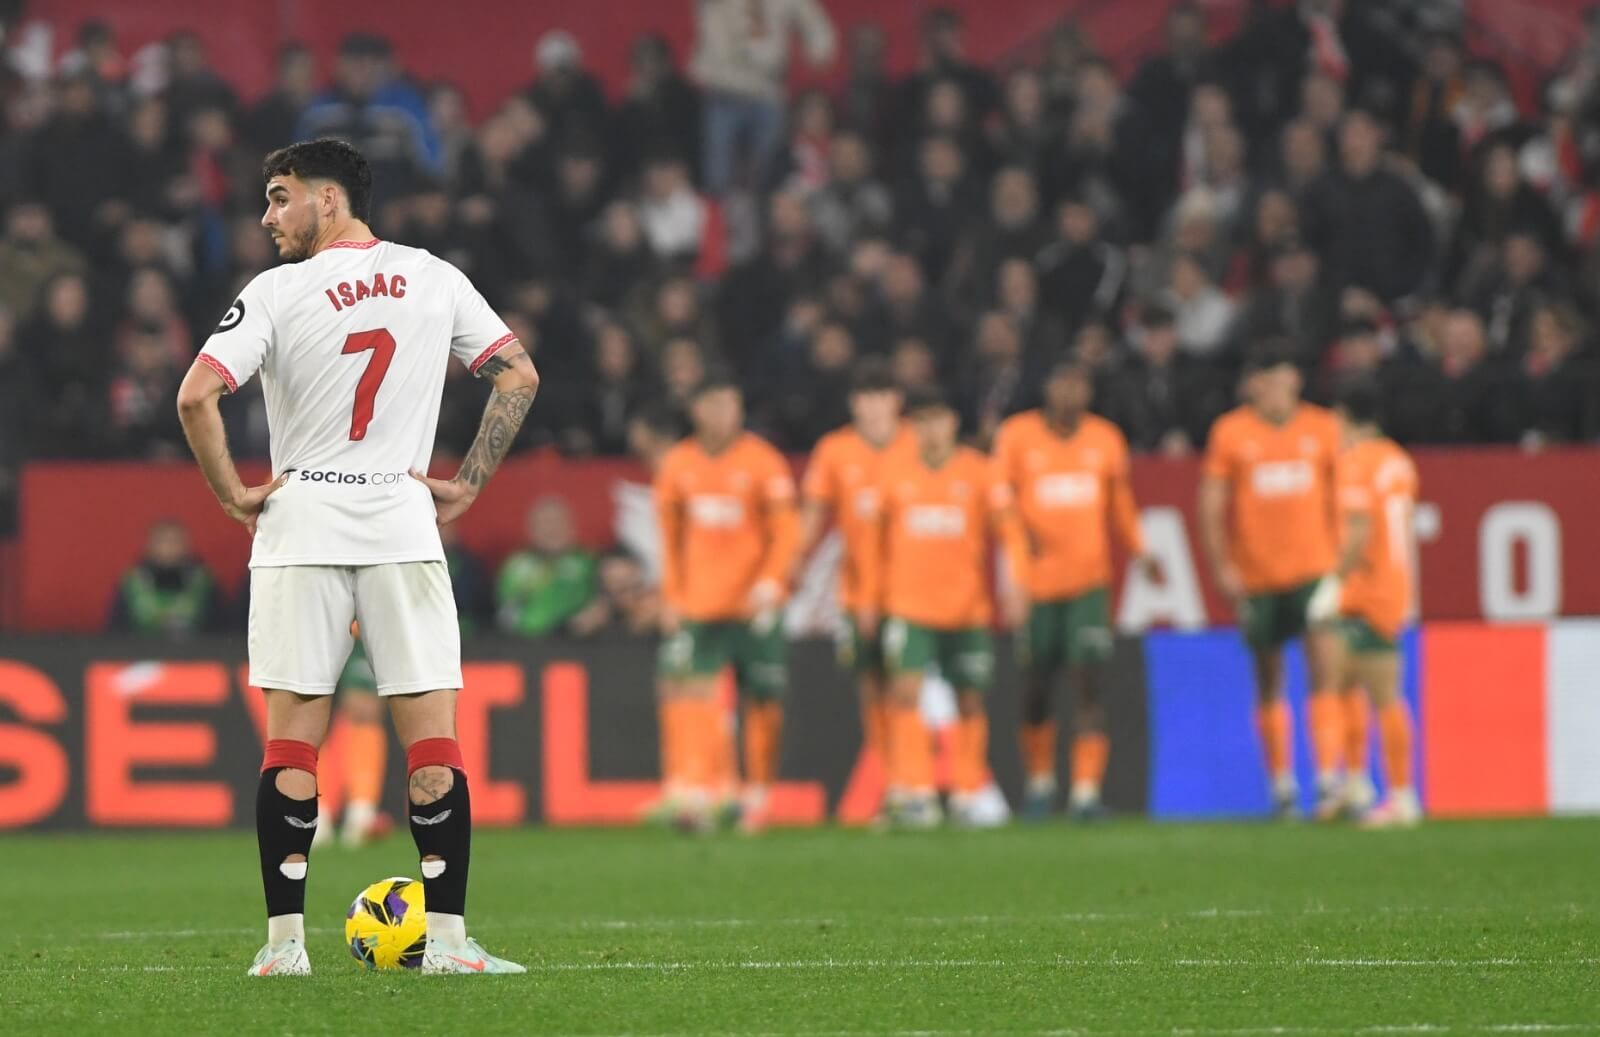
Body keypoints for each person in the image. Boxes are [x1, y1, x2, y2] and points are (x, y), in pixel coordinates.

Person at [175, 139, 537, 976]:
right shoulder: (434, 276)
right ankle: (447, 942)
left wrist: (233, 493)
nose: (266, 218)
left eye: (278, 198)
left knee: (292, 743)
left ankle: (283, 947)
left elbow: (196, 393)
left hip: (300, 524)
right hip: (399, 520)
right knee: (432, 744)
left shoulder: (276, 291)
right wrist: (470, 482)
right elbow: (516, 374)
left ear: (327, 199)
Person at [857, 386, 1028, 828]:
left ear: (954, 423)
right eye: (923, 421)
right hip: (908, 606)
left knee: (969, 699)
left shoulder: (980, 472)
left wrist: (1017, 585)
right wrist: (868, 599)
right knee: (904, 694)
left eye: (940, 419)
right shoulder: (891, 472)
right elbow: (871, 546)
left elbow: (1010, 533)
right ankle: (917, 792)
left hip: (966, 608)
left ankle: (968, 791)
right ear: (911, 427)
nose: (931, 430)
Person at [992, 361, 1153, 821]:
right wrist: (1017, 579)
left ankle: (1085, 793)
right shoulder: (1017, 437)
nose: (1071, 394)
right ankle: (1041, 785)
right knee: (1037, 688)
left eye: (1079, 386)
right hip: (1038, 588)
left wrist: (1141, 549)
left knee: (1089, 682)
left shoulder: (1105, 439)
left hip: (1088, 585)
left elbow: (1119, 503)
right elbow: (1006, 516)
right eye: (1063, 384)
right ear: (1048, 388)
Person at [1197, 345, 1344, 820]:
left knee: (1326, 669)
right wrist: (1222, 566)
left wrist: (1343, 566)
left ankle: (1326, 779)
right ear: (1252, 385)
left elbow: (1344, 500)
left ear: (1296, 381)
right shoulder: (1231, 432)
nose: (1274, 391)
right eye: (1265, 382)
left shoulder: (1323, 428)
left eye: (1283, 380)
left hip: (1314, 570)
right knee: (1268, 677)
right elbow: (1212, 504)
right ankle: (1281, 784)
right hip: (1257, 575)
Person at [654, 372, 798, 833]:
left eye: (729, 405)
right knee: (694, 691)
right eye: (713, 405)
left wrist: (772, 584)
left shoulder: (763, 462)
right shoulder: (679, 464)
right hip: (699, 604)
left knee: (763, 699)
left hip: (753, 604)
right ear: (697, 410)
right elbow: (669, 539)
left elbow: (786, 533)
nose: (722, 415)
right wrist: (672, 596)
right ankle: (707, 788)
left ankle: (759, 792)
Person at [797, 359, 914, 820]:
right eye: (866, 398)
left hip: (914, 593)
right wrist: (794, 560)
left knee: (908, 687)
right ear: (854, 404)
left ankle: (915, 784)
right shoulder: (835, 451)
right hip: (857, 594)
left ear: (897, 402)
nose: (874, 407)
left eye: (883, 397)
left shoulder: (915, 445)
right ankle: (892, 783)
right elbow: (814, 512)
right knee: (873, 689)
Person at [1329, 380, 1421, 828]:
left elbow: (1360, 530)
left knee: (1383, 694)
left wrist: (1333, 580)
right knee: (1344, 681)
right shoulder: (1398, 459)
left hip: (1371, 588)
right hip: (1394, 584)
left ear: (1345, 416)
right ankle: (1356, 781)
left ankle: (1402, 796)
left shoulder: (1357, 462)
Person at [311, 625, 394, 851]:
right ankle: (316, 813)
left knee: (363, 712)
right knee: (309, 716)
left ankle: (360, 812)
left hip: (361, 626)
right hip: (318, 626)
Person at [495, 497, 603, 637]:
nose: (551, 530)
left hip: (576, 644)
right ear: (531, 530)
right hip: (522, 643)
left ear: (571, 527)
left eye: (557, 523)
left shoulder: (589, 563)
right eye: (544, 523)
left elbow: (601, 603)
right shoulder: (515, 566)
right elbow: (505, 609)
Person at [106, 520, 222, 636]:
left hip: (196, 651)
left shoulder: (203, 582)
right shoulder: (132, 582)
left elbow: (221, 628)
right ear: (150, 545)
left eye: (175, 541)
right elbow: (116, 629)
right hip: (140, 651)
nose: (169, 547)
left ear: (187, 545)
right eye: (163, 541)